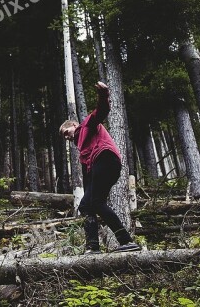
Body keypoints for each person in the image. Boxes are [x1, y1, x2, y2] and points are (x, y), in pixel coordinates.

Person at [60, 81, 141, 254]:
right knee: (86, 205)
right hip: (100, 167)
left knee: (96, 202)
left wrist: (104, 94)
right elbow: (88, 179)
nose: (67, 138)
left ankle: (126, 241)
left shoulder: (86, 126)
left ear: (74, 126)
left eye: (67, 133)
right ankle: (93, 247)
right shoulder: (83, 151)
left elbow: (101, 112)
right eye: (64, 137)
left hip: (106, 159)